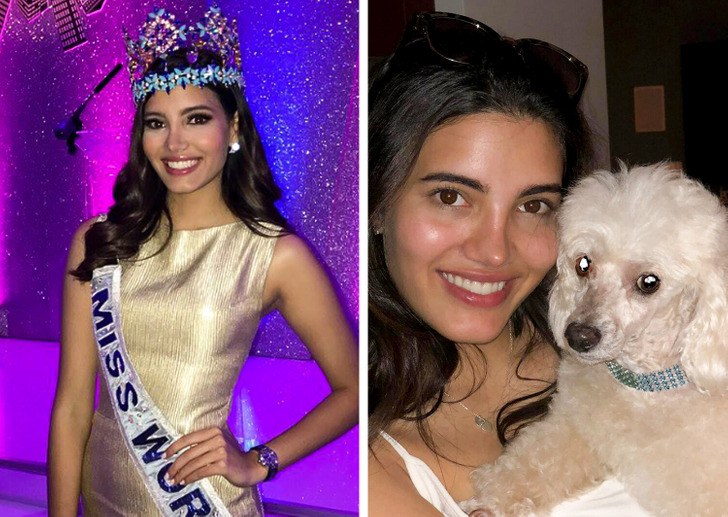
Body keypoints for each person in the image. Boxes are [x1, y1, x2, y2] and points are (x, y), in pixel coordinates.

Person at [47, 6, 358, 516]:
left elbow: (354, 389)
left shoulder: (275, 254)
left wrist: (261, 461)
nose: (174, 143)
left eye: (196, 118)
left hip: (199, 503)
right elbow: (74, 406)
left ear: (231, 126)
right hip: (103, 499)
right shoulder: (99, 241)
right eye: (156, 123)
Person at [368, 11, 648, 517]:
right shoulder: (361, 456)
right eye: (451, 196)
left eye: (534, 205)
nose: (495, 251)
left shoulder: (640, 345)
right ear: (377, 204)